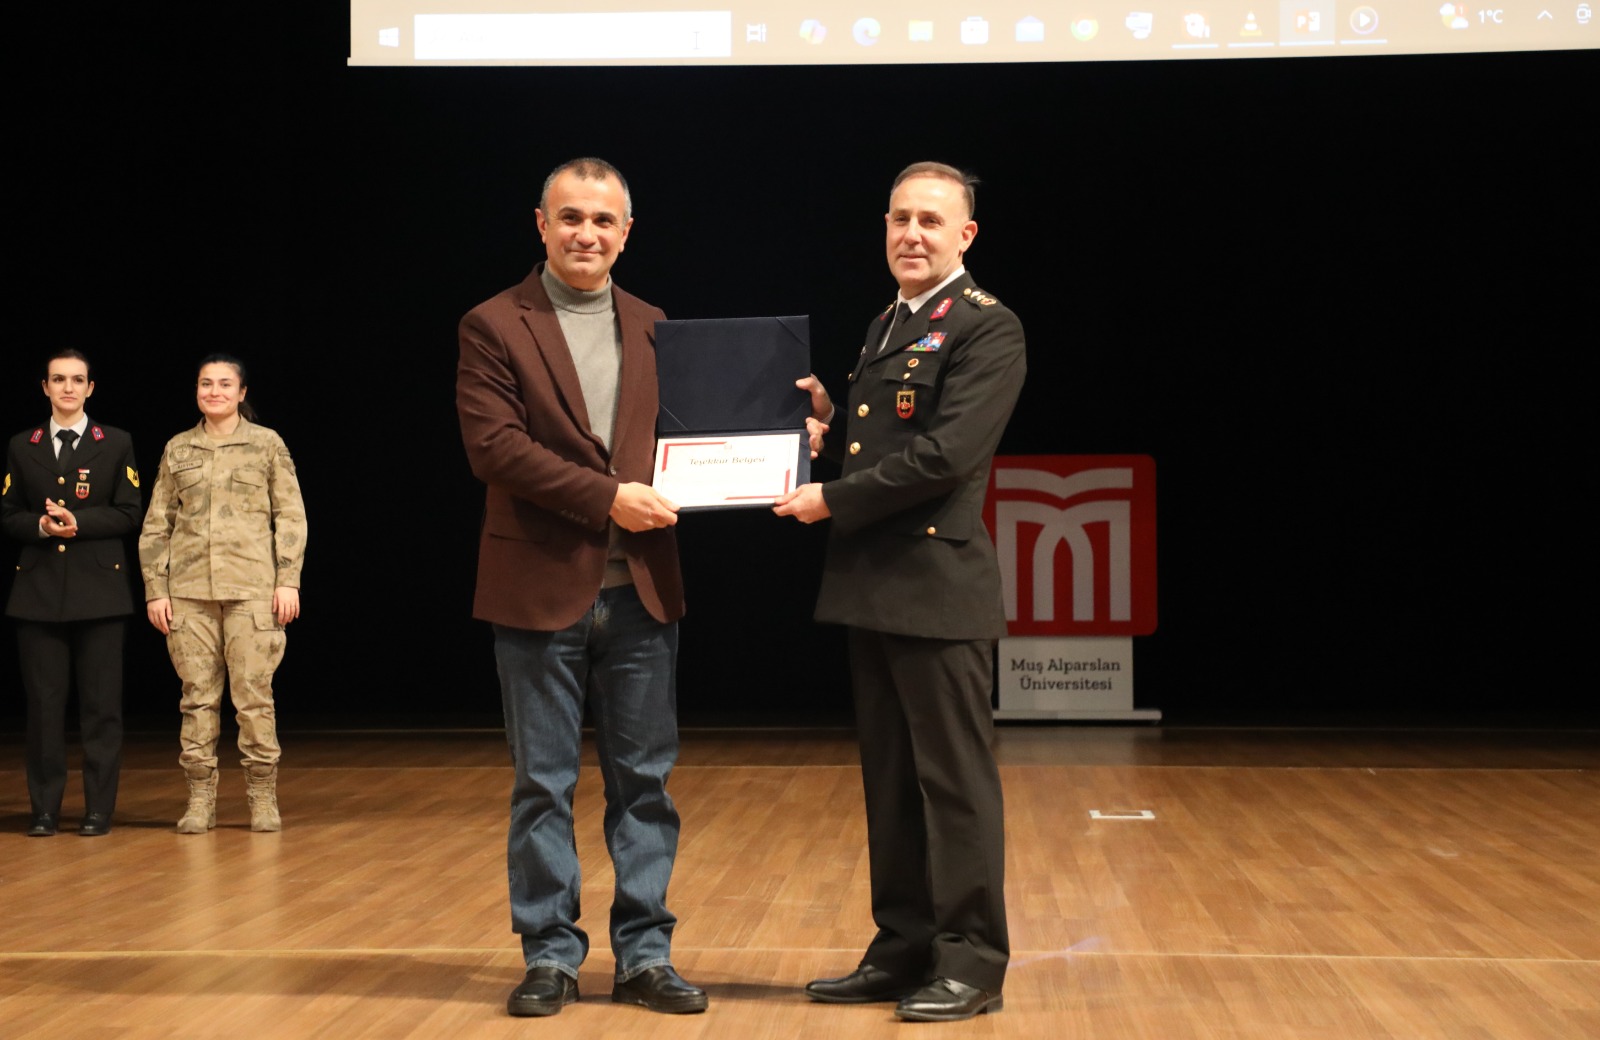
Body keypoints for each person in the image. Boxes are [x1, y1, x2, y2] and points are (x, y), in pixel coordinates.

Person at [773, 161, 1026, 1022]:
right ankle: (903, 947)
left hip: (936, 585)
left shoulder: (987, 326)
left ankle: (972, 963)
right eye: (899, 219)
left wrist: (834, 498)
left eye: (930, 220)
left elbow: (946, 455)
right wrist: (827, 426)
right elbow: (887, 438)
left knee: (954, 786)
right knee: (890, 784)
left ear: (966, 235)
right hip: (874, 584)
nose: (911, 234)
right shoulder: (891, 321)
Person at [456, 157, 706, 1018]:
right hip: (536, 590)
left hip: (642, 592)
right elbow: (496, 449)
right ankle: (550, 957)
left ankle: (646, 956)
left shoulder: (654, 325)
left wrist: (788, 428)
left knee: (646, 784)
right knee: (542, 785)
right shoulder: (493, 323)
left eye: (603, 221)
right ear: (541, 224)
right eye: (570, 217)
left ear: (626, 233)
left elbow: (696, 434)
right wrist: (608, 498)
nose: (586, 234)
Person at [138, 355, 307, 834]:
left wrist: (288, 579)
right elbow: (157, 525)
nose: (214, 391)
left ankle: (262, 795)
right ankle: (199, 798)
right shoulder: (178, 448)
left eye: (224, 384)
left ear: (241, 392)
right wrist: (156, 589)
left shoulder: (266, 444)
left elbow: (290, 516)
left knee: (254, 697)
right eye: (206, 384)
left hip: (252, 590)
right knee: (196, 698)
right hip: (189, 592)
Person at [4, 350, 141, 837]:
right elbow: (8, 513)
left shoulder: (116, 442)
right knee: (43, 710)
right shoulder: (23, 444)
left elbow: (129, 511)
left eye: (77, 380)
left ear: (90, 388)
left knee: (101, 709)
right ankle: (44, 810)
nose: (68, 388)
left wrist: (77, 521)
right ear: (45, 387)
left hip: (100, 593)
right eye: (58, 379)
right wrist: (41, 526)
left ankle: (98, 809)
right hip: (39, 593)